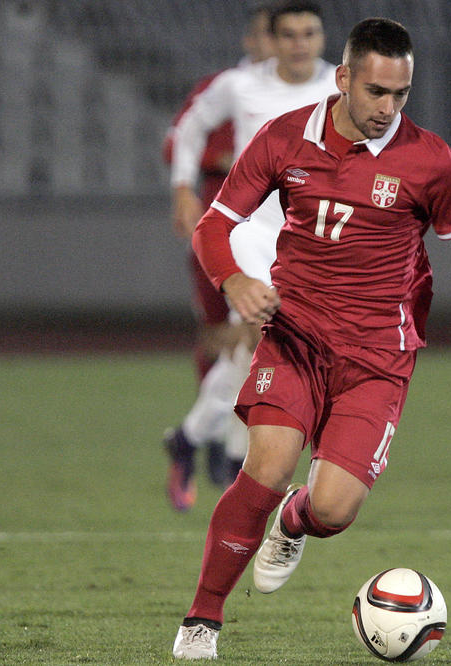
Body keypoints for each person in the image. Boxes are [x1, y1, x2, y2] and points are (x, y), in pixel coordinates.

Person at [171, 17, 451, 659]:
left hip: (380, 356)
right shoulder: (283, 138)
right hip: (295, 334)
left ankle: (295, 522)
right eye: (376, 92)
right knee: (265, 464)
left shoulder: (432, 162)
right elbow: (214, 226)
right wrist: (233, 281)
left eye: (401, 94)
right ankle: (202, 621)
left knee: (333, 511)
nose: (388, 108)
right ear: (344, 78)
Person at [163, 1, 338, 512]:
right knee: (263, 332)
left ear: (322, 37)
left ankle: (191, 438)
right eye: (290, 35)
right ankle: (242, 460)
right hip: (248, 230)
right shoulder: (239, 86)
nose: (300, 44)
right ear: (275, 40)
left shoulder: (339, 86)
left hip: (304, 235)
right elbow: (190, 127)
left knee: (254, 345)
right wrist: (182, 189)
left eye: (310, 33)